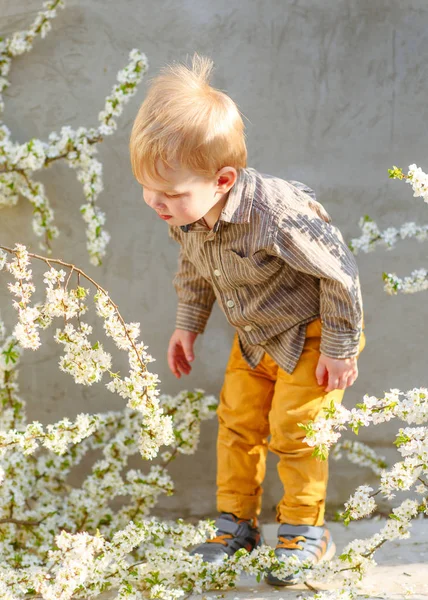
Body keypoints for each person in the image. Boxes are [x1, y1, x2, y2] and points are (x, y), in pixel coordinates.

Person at [129, 53, 365, 586]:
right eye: (147, 187)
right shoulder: (188, 217)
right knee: (237, 424)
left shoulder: (277, 215)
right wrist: (187, 325)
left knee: (297, 429)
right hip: (255, 338)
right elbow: (195, 271)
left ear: (223, 179)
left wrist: (340, 346)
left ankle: (306, 531)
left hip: (313, 335)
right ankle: (236, 525)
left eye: (170, 193)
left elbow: (341, 275)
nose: (156, 203)